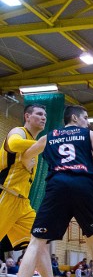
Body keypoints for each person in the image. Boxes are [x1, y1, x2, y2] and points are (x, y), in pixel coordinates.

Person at [0, 105, 93, 277]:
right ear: (75, 118)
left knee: (36, 244)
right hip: (78, 187)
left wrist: (38, 153)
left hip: (49, 191)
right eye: (86, 117)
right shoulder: (86, 134)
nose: (88, 122)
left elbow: (27, 155)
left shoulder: (50, 137)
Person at [0, 104, 47, 254]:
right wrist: (47, 144)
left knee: (39, 239)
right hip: (5, 194)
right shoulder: (19, 131)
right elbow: (14, 143)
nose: (43, 117)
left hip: (22, 203)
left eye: (45, 115)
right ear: (27, 116)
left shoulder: (35, 146)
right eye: (39, 114)